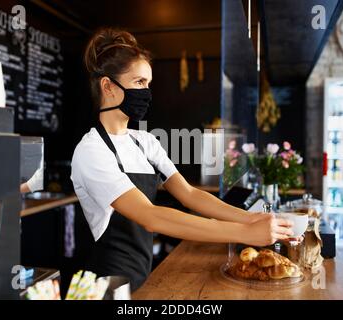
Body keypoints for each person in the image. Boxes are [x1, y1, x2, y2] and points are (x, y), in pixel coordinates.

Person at [71, 28, 295, 291]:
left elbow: (189, 194)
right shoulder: (91, 150)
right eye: (139, 82)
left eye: (148, 84)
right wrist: (244, 233)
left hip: (143, 275)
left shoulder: (144, 142)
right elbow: (150, 216)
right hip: (108, 284)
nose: (147, 92)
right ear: (108, 86)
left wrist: (249, 219)